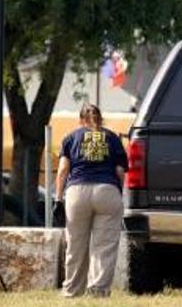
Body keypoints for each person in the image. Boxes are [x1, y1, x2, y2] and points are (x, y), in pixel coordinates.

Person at [54, 103, 128, 297]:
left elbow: (63, 171)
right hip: (107, 190)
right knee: (104, 246)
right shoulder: (112, 138)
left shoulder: (71, 138)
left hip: (77, 192)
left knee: (75, 245)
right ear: (101, 119)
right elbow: (120, 171)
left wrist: (58, 198)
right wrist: (117, 193)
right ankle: (98, 291)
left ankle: (72, 291)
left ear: (81, 120)